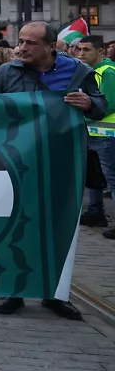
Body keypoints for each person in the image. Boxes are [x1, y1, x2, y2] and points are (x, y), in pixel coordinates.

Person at [0, 21, 106, 320]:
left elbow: (101, 105)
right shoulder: (6, 72)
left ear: (51, 47)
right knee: (16, 225)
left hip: (62, 162)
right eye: (21, 41)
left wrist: (89, 102)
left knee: (59, 228)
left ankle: (56, 294)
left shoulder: (78, 72)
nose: (22, 48)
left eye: (31, 43)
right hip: (18, 162)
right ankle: (13, 290)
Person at [75, 36, 115, 229]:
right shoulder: (88, 71)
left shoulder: (108, 71)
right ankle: (95, 212)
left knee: (112, 178)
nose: (81, 54)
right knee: (93, 176)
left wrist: (83, 116)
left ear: (101, 51)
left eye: (87, 50)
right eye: (80, 49)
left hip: (107, 134)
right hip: (92, 132)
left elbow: (109, 104)